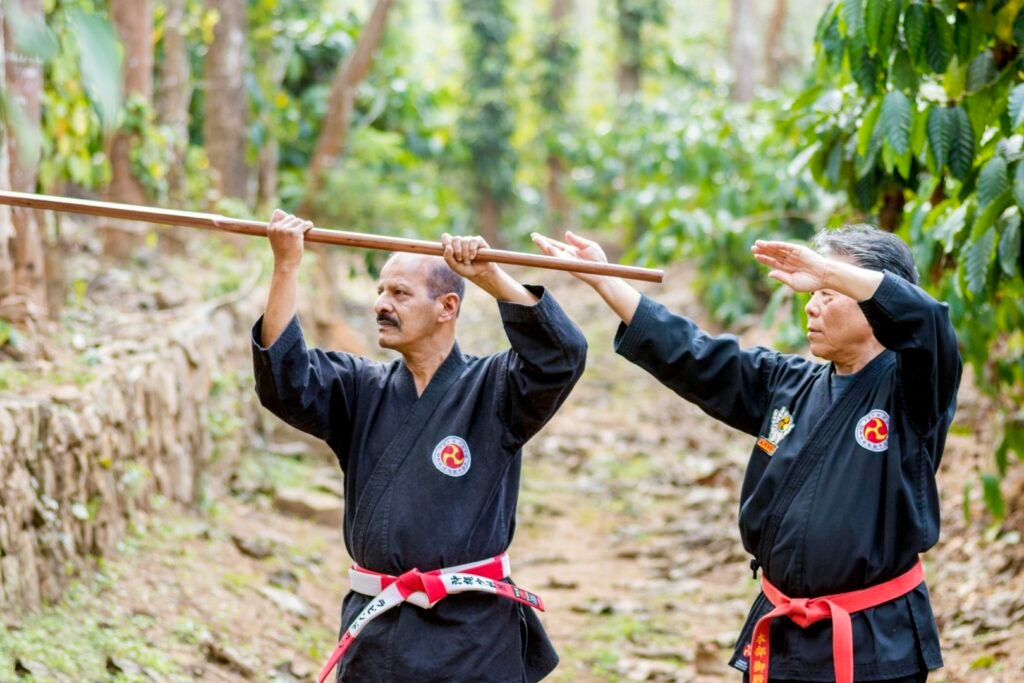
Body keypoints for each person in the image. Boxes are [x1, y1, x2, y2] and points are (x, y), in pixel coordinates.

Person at [531, 226, 961, 683]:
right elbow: (694, 354)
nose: (811, 306)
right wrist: (604, 279)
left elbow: (926, 319)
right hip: (783, 630)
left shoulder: (914, 391)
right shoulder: (788, 384)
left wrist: (825, 268)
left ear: (876, 304)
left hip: (873, 642)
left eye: (827, 294)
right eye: (813, 293)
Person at [253, 210, 587, 682]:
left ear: (447, 307)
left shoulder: (494, 390)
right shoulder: (360, 388)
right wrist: (286, 266)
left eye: (400, 293)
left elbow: (561, 356)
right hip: (378, 631)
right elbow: (285, 383)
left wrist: (489, 276)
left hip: (473, 637)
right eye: (380, 292)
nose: (381, 306)